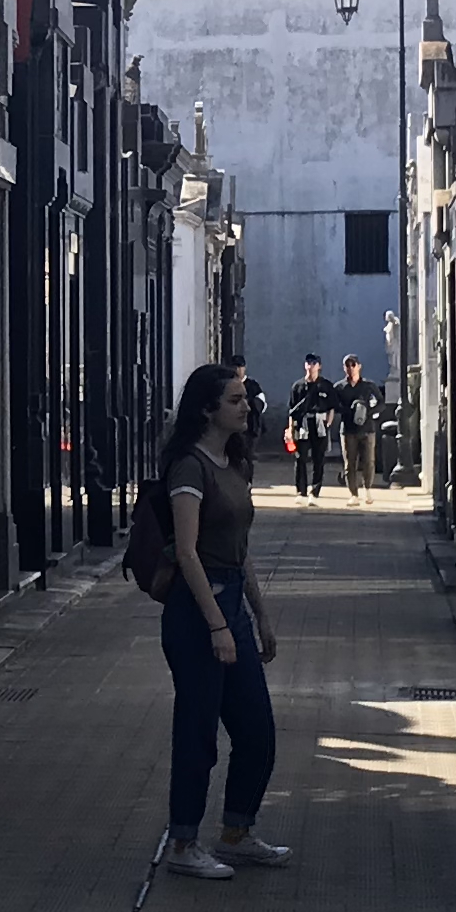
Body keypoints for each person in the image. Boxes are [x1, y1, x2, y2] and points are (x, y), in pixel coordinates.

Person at [153, 361, 286, 877]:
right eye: (234, 400)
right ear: (208, 409)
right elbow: (187, 554)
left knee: (257, 730)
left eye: (244, 399)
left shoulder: (234, 463)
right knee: (198, 733)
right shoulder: (190, 467)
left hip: (232, 607)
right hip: (196, 612)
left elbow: (241, 549)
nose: (245, 406)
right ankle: (184, 845)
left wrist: (259, 614)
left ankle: (236, 830)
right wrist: (216, 626)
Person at [283, 354, 336, 500]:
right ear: (305, 365)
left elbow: (332, 407)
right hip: (302, 424)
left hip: (320, 424)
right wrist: (290, 430)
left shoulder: (326, 385)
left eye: (314, 363)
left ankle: (315, 489)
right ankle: (301, 491)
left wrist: (328, 423)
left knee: (319, 458)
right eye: (308, 363)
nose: (311, 366)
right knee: (301, 458)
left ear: (319, 366)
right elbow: (292, 410)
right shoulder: (298, 386)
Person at [337, 355, 378, 500]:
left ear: (359, 366)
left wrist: (367, 411)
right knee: (350, 463)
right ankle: (353, 493)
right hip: (348, 430)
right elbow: (335, 406)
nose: (350, 368)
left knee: (369, 461)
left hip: (367, 429)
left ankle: (367, 489)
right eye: (347, 365)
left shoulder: (368, 386)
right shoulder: (340, 387)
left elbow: (381, 403)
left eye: (353, 365)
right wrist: (350, 411)